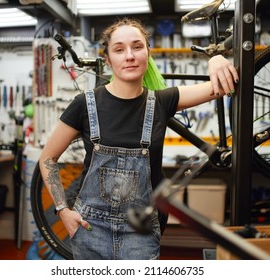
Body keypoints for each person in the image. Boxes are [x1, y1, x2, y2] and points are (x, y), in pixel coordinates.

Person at [39, 17, 238, 260]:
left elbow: (223, 85)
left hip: (141, 232)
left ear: (148, 53)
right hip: (91, 229)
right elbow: (48, 158)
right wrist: (62, 210)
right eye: (119, 50)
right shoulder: (84, 104)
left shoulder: (163, 102)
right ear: (108, 59)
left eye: (137, 46)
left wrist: (216, 59)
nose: (130, 56)